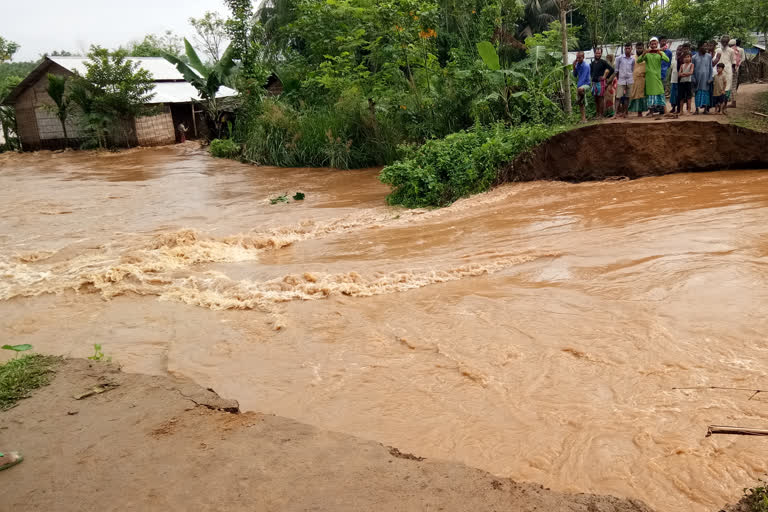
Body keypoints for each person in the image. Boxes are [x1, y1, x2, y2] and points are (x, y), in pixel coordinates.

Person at [637, 37, 670, 116]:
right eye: (652, 44)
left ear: (657, 44)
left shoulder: (660, 53)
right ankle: (651, 112)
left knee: (661, 93)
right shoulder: (647, 54)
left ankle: (665, 111)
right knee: (650, 95)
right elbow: (638, 60)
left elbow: (667, 60)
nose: (653, 45)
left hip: (657, 76)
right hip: (649, 78)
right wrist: (644, 53)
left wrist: (661, 53)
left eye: (655, 44)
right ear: (650, 45)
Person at [590, 47, 615, 118]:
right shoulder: (592, 63)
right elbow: (591, 72)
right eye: (597, 53)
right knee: (596, 99)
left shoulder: (603, 62)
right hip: (594, 83)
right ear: (594, 53)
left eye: (599, 53)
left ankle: (601, 114)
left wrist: (605, 77)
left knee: (600, 98)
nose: (598, 54)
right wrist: (592, 77)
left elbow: (611, 69)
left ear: (601, 54)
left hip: (600, 83)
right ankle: (597, 114)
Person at [692, 41, 713, 114]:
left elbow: (710, 68)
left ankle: (705, 109)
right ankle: (697, 109)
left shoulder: (709, 56)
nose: (705, 48)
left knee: (706, 93)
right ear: (699, 47)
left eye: (706, 46)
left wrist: (710, 78)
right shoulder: (694, 57)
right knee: (697, 93)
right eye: (704, 46)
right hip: (697, 79)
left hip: (706, 79)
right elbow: (692, 69)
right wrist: (693, 78)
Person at [628, 42, 648, 117]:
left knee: (642, 95)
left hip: (643, 79)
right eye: (638, 48)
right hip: (634, 79)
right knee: (634, 95)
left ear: (643, 49)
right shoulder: (632, 57)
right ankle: (632, 111)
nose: (639, 50)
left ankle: (640, 112)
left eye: (641, 48)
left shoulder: (646, 57)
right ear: (635, 48)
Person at [713, 35, 734, 104]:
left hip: (728, 71)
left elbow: (732, 61)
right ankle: (719, 106)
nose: (724, 43)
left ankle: (724, 106)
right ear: (721, 42)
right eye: (723, 42)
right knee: (718, 86)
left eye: (726, 42)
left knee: (727, 87)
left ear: (728, 42)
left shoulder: (731, 51)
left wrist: (731, 70)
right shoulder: (717, 50)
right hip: (718, 70)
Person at [615, 43, 635, 118]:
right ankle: (615, 113)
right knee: (618, 97)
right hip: (621, 80)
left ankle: (625, 112)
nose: (627, 50)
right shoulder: (619, 58)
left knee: (627, 97)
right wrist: (619, 78)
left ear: (631, 49)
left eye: (629, 48)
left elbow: (632, 69)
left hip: (629, 79)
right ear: (624, 49)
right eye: (626, 48)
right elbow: (616, 70)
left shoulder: (633, 59)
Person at [572, 51, 591, 122]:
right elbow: (574, 75)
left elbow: (583, 78)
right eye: (577, 58)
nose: (578, 59)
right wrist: (574, 66)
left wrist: (580, 87)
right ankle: (583, 119)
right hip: (580, 85)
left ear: (583, 57)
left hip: (586, 84)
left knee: (580, 90)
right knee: (581, 104)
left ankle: (581, 99)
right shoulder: (578, 65)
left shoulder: (586, 65)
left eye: (580, 58)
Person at [729, 38, 745, 107]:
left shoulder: (729, 50)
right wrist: (738, 65)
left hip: (729, 70)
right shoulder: (741, 50)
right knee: (734, 86)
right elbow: (743, 58)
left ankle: (727, 102)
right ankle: (733, 102)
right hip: (736, 70)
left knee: (728, 86)